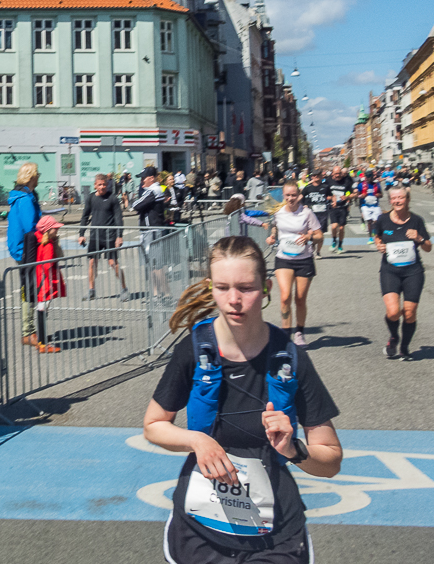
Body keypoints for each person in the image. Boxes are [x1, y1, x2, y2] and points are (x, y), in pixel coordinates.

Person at [143, 235, 342, 564]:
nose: (233, 299)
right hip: (201, 526)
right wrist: (196, 441)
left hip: (276, 531)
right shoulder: (193, 350)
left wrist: (294, 448)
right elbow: (153, 425)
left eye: (246, 288)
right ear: (211, 288)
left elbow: (331, 461)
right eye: (222, 288)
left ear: (265, 287)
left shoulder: (289, 359)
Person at [374, 186, 432, 361]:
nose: (397, 201)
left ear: (407, 200)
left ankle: (405, 348)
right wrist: (379, 244)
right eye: (394, 198)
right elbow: (377, 236)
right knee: (393, 312)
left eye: (401, 198)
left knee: (409, 312)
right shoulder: (383, 219)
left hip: (413, 271)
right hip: (390, 270)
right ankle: (394, 337)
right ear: (390, 201)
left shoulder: (416, 221)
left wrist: (419, 238)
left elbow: (428, 247)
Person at [266, 181, 322, 347]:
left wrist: (309, 237)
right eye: (287, 195)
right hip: (283, 258)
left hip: (304, 260)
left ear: (299, 196)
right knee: (285, 297)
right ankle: (285, 336)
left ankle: (299, 332)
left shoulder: (307, 213)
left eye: (293, 195)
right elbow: (274, 228)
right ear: (283, 196)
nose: (291, 198)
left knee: (299, 299)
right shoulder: (277, 212)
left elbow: (319, 235)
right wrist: (272, 237)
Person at [6, 162, 43, 345]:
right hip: (26, 247)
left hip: (19, 246)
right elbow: (31, 226)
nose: (39, 178)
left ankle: (28, 329)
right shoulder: (26, 198)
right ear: (31, 177)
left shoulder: (19, 196)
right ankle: (28, 331)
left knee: (26, 288)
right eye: (37, 175)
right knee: (29, 289)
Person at [79, 173, 128, 301]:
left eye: (104, 184)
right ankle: (91, 290)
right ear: (95, 185)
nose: (102, 187)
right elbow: (85, 217)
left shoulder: (112, 198)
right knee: (91, 263)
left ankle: (124, 289)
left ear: (107, 185)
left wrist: (119, 236)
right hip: (95, 236)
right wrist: (81, 235)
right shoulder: (90, 198)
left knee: (113, 263)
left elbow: (118, 218)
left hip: (109, 236)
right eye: (99, 184)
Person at [32, 215, 66, 353]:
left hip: (43, 279)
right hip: (45, 280)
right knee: (42, 309)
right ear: (48, 230)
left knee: (42, 309)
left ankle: (42, 340)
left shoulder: (43, 242)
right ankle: (42, 343)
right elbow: (48, 264)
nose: (57, 231)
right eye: (55, 229)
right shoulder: (48, 246)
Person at [301, 171, 330, 257]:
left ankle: (318, 252)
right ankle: (313, 245)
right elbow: (301, 197)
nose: (316, 177)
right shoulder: (308, 187)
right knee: (313, 233)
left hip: (323, 213)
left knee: (321, 234)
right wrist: (304, 205)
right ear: (312, 177)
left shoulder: (325, 186)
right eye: (314, 175)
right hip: (312, 214)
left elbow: (330, 196)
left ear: (321, 176)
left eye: (318, 175)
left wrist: (332, 200)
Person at [326, 168, 352, 255]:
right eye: (336, 173)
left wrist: (347, 197)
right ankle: (334, 241)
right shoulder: (328, 181)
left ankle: (340, 245)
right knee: (334, 226)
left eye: (339, 173)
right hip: (333, 207)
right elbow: (325, 194)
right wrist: (331, 199)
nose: (337, 175)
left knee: (341, 228)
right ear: (332, 173)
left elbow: (352, 193)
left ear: (341, 173)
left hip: (343, 207)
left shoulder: (346, 181)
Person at [356, 170, 383, 240]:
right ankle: (370, 237)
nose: (368, 179)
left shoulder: (376, 185)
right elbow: (358, 195)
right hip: (365, 205)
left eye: (370, 177)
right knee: (369, 221)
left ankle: (374, 229)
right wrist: (361, 196)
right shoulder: (361, 185)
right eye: (367, 177)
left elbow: (381, 194)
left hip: (375, 205)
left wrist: (378, 195)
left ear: (372, 177)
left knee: (376, 220)